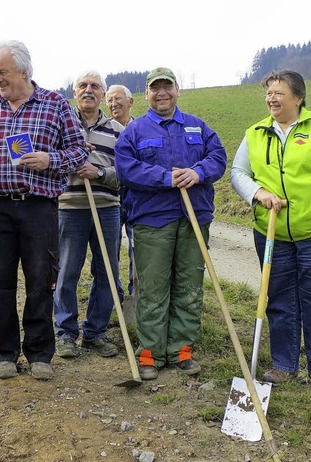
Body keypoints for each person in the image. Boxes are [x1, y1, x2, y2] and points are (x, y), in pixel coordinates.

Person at [0, 40, 89, 381]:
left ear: (22, 70)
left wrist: (51, 159)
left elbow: (80, 150)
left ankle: (39, 354)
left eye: (1, 72)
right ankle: (5, 354)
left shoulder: (55, 105)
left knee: (41, 280)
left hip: (39, 207)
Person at [230, 70, 311, 394]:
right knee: (280, 300)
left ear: (298, 97)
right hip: (272, 233)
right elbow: (239, 173)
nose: (272, 98)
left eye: (279, 93)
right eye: (269, 93)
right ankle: (284, 366)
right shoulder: (256, 132)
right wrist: (258, 193)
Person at [115, 67, 227, 381]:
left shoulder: (197, 126)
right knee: (152, 288)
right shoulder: (134, 132)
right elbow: (126, 169)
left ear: (177, 90)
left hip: (194, 219)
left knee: (189, 286)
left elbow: (218, 155)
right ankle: (150, 352)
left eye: (167, 87)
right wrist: (166, 178)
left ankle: (182, 350)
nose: (162, 93)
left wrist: (199, 172)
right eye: (155, 88)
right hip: (153, 220)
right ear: (147, 93)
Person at [53, 71, 124, 359]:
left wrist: (100, 172)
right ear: (74, 93)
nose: (88, 90)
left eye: (95, 86)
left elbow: (128, 174)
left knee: (106, 271)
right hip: (70, 208)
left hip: (107, 208)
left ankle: (95, 332)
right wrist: (71, 162)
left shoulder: (118, 130)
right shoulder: (60, 126)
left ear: (102, 95)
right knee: (67, 270)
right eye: (83, 85)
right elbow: (47, 163)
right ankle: (65, 333)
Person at [105, 84, 135, 298]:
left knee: (139, 250)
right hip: (112, 196)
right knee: (110, 250)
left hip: (136, 198)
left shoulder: (141, 128)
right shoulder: (104, 130)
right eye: (109, 101)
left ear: (130, 102)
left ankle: (137, 295)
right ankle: (115, 295)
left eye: (118, 99)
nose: (113, 104)